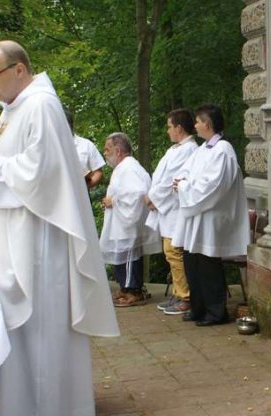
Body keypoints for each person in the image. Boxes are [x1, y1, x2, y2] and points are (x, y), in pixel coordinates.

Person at [0, 40, 119, 416]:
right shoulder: (12, 109)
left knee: (41, 326)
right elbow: (10, 164)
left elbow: (42, 170)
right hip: (15, 236)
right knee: (23, 329)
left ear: (19, 70)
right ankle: (22, 409)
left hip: (38, 238)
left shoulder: (41, 105)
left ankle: (47, 413)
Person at [174, 104, 249, 326]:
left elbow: (213, 186)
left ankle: (216, 312)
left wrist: (185, 187)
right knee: (192, 262)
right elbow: (186, 171)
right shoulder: (203, 149)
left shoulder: (223, 150)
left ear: (207, 124)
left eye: (198, 121)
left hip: (211, 216)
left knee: (208, 265)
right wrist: (181, 181)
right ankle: (198, 307)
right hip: (196, 215)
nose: (195, 125)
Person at [145, 109, 198, 315]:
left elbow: (171, 179)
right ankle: (178, 292)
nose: (167, 131)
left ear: (179, 128)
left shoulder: (188, 150)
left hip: (175, 207)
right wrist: (154, 196)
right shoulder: (177, 149)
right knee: (170, 251)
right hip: (167, 207)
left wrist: (154, 198)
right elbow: (161, 176)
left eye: (169, 126)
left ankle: (185, 296)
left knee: (174, 251)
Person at [100, 132, 160, 307]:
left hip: (127, 223)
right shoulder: (124, 167)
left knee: (128, 256)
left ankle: (133, 291)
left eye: (108, 149)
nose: (105, 153)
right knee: (122, 254)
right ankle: (125, 288)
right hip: (121, 222)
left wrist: (114, 201)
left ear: (118, 151)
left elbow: (137, 193)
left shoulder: (129, 168)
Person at [65, 110, 105, 189]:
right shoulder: (50, 146)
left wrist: (84, 187)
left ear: (71, 125)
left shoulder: (86, 145)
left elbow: (98, 173)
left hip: (82, 193)